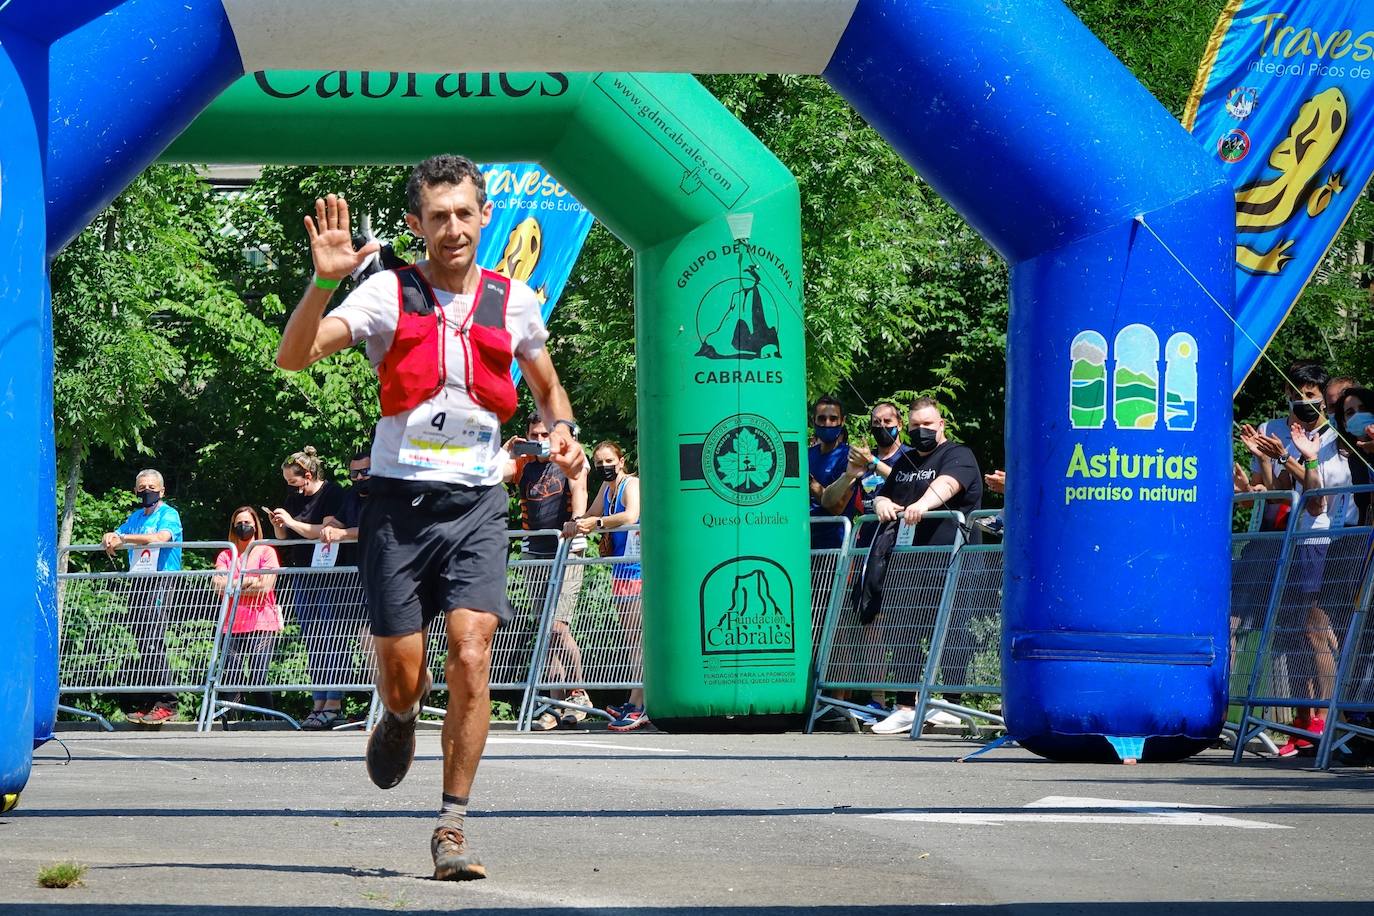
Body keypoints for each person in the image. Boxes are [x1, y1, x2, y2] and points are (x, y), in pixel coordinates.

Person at [275, 154, 583, 880]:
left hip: (478, 503)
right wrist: (324, 281)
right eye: (436, 216)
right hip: (397, 509)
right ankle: (402, 714)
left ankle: (452, 826)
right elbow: (293, 358)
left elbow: (549, 391)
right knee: (405, 677)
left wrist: (561, 431)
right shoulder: (387, 293)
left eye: (464, 213)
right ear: (416, 225)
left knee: (473, 654)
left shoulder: (515, 302)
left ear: (484, 216)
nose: (452, 228)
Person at [1240, 361, 1355, 757]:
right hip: (1289, 541)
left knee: (1316, 628)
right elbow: (1278, 494)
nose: (1302, 404)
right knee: (1291, 633)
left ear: (1324, 399)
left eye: (1311, 397)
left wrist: (1294, 457)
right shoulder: (1276, 429)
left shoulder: (1335, 436)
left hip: (1328, 538)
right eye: (1296, 395)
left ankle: (1327, 716)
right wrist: (1267, 463)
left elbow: (1316, 499)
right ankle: (1303, 721)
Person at [863, 396, 983, 735]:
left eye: (928, 425)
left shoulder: (958, 454)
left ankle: (951, 703)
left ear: (941, 424)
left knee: (953, 631)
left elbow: (946, 485)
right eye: (915, 426)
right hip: (908, 563)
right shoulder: (905, 461)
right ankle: (905, 706)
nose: (921, 431)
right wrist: (883, 503)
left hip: (952, 560)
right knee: (904, 631)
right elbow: (883, 493)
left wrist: (921, 505)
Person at [504, 417, 593, 731]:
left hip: (566, 548)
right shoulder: (524, 463)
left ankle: (579, 692)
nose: (541, 439)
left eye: (546, 434)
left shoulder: (569, 458)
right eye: (535, 434)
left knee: (557, 627)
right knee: (545, 630)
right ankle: (556, 703)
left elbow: (579, 488)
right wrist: (506, 450)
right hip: (534, 552)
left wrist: (578, 519)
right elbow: (491, 474)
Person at [268, 446, 350, 729]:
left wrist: (292, 522)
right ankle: (318, 702)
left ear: (308, 474)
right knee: (313, 639)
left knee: (331, 639)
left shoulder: (332, 493)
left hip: (331, 575)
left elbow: (324, 532)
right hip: (304, 572)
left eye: (294, 482)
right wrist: (280, 524)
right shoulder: (294, 497)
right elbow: (285, 536)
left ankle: (334, 703)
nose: (291, 488)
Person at [565, 441, 644, 731]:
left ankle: (639, 703)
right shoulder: (606, 490)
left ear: (621, 461)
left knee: (638, 639)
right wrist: (575, 522)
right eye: (599, 463)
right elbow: (588, 515)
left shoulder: (630, 484)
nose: (604, 467)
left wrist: (597, 522)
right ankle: (635, 697)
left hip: (638, 570)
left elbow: (630, 515)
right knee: (631, 638)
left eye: (609, 461)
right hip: (621, 571)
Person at [100, 469, 184, 725]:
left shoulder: (169, 514)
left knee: (154, 638)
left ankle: (167, 701)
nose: (146, 491)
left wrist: (122, 538)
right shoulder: (135, 516)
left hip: (161, 580)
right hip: (139, 581)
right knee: (143, 640)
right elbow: (118, 534)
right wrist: (110, 537)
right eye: (141, 487)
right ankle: (150, 700)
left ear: (161, 490)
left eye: (151, 486)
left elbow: (158, 538)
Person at [213, 507, 283, 720]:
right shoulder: (227, 554)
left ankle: (268, 719)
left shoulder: (266, 551)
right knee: (231, 674)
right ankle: (232, 719)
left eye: (247, 521)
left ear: (255, 525)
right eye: (239, 522)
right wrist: (249, 581)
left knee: (258, 673)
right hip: (232, 623)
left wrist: (234, 585)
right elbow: (217, 585)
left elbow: (266, 585)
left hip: (262, 623)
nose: (243, 526)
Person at [808, 395, 860, 549]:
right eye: (822, 418)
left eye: (833, 418)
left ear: (842, 421)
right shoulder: (806, 455)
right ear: (813, 421)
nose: (827, 423)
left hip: (835, 546)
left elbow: (837, 507)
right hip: (802, 543)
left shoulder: (850, 457)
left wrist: (809, 483)